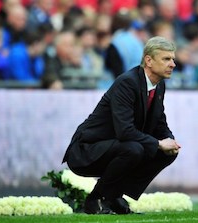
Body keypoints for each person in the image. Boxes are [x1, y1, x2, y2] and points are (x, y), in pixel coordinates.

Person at [62, 36, 181, 215]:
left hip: (118, 147)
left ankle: (114, 195)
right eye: (166, 59)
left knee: (165, 154)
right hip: (87, 150)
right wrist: (157, 143)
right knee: (135, 149)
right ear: (148, 60)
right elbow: (124, 131)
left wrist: (170, 141)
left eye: (173, 59)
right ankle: (95, 199)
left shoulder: (159, 86)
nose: (173, 64)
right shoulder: (127, 82)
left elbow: (159, 122)